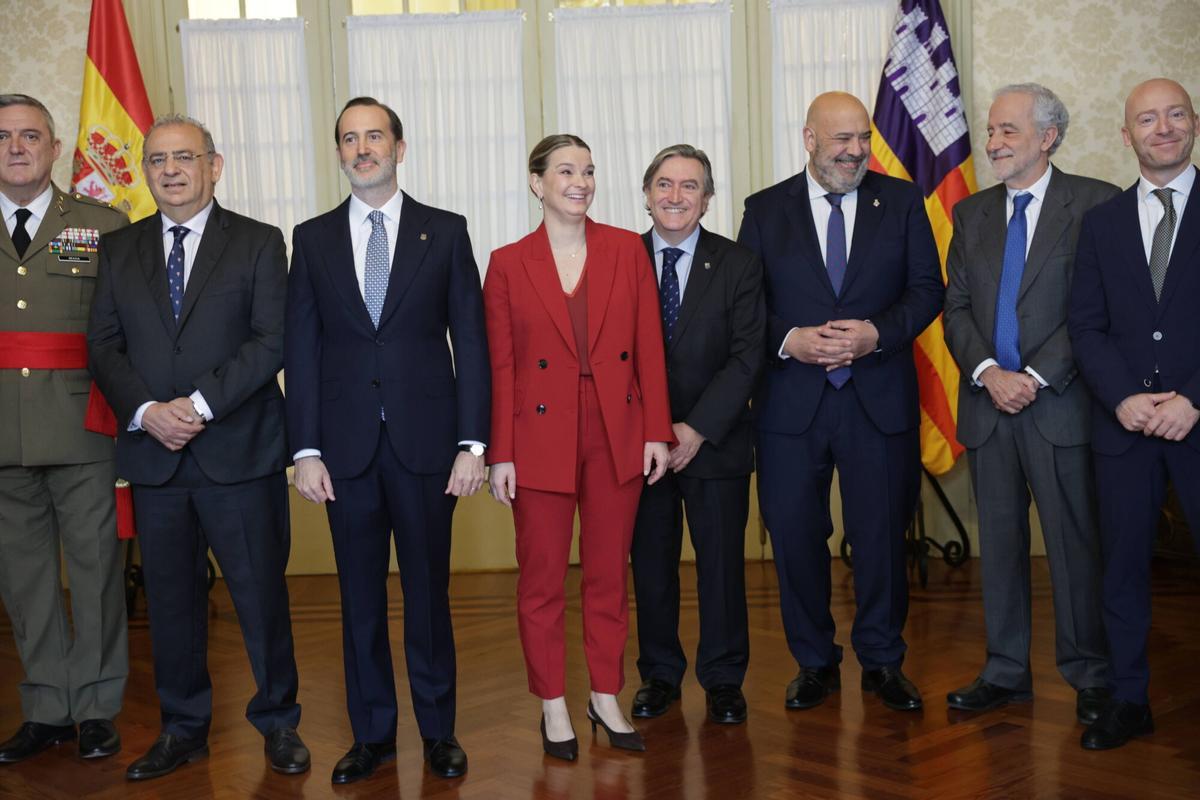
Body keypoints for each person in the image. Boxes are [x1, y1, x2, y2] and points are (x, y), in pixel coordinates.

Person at [87, 114, 308, 780]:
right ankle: (183, 729)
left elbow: (272, 339)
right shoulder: (119, 250)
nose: (171, 170)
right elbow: (102, 345)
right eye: (157, 160)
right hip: (156, 459)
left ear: (216, 164)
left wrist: (201, 405)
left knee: (260, 598)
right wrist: (150, 411)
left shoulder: (260, 243)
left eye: (185, 157)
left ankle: (279, 723)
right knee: (173, 607)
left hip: (239, 452)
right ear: (147, 171)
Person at [285, 97, 489, 783]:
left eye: (375, 136)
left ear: (400, 148)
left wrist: (474, 443)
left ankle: (439, 732)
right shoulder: (310, 239)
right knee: (358, 599)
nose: (362, 148)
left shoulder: (446, 231)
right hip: (343, 453)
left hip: (430, 448)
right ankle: (371, 734)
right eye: (350, 138)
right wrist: (304, 451)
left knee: (429, 595)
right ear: (339, 152)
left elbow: (474, 342)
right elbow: (302, 348)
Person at [737, 91, 943, 713]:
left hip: (876, 398)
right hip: (790, 406)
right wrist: (790, 340)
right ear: (808, 139)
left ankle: (882, 660)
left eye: (862, 139)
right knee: (797, 535)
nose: (855, 152)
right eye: (840, 141)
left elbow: (927, 289)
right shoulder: (764, 209)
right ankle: (815, 662)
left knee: (880, 536)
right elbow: (746, 306)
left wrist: (877, 332)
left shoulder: (902, 202)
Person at [484, 134, 673, 759]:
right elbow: (501, 367)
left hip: (617, 429)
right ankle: (552, 703)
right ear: (537, 182)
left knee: (606, 575)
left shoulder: (626, 249)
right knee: (540, 579)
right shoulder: (508, 262)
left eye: (589, 171)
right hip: (538, 434)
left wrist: (655, 432)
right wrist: (500, 453)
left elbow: (649, 346)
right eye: (566, 171)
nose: (581, 181)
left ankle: (605, 695)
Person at [943, 83, 1117, 724]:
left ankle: (1089, 673)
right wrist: (989, 372)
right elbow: (956, 306)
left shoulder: (1096, 204)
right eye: (991, 130)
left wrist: (1036, 375)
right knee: (1002, 546)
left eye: (1008, 131)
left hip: (1059, 404)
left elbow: (1098, 310)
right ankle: (1006, 671)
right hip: (990, 408)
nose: (993, 143)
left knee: (1074, 546)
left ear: (1048, 137)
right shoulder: (972, 213)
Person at [1068, 77, 1200, 750]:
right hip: (1123, 426)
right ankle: (1127, 699)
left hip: (1197, 419)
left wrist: (1193, 398)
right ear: (1128, 136)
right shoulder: (1103, 222)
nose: (1163, 128)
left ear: (1194, 123)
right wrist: (1122, 397)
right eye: (1147, 119)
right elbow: (1085, 327)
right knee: (1120, 567)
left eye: (1175, 114)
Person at [0, 94, 127, 764]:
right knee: (23, 578)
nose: (17, 147)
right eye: (3, 136)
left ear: (55, 148)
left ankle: (98, 706)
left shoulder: (104, 223)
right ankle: (48, 706)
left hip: (84, 427)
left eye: (31, 136)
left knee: (96, 569)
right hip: (2, 431)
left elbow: (122, 331)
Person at [628, 144, 764, 725]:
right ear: (647, 193)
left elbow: (746, 357)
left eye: (689, 186)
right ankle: (659, 675)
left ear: (707, 199)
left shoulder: (739, 264)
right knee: (651, 568)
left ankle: (724, 678)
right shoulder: (617, 258)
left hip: (717, 443)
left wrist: (696, 429)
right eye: (664, 184)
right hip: (641, 449)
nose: (675, 196)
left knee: (722, 570)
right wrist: (653, 431)